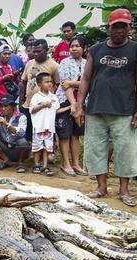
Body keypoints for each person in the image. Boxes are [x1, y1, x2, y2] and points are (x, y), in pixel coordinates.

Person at [74, 8, 137, 207]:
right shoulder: (97, 50)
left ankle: (124, 190)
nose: (119, 31)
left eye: (124, 27)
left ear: (130, 28)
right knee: (96, 148)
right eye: (116, 27)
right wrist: (79, 106)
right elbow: (86, 78)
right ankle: (101, 187)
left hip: (124, 109)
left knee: (125, 150)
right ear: (109, 28)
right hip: (96, 108)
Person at [55, 36, 88, 176]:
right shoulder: (64, 62)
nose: (74, 48)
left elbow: (90, 83)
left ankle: (76, 163)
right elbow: (64, 84)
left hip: (83, 102)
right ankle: (66, 163)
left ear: (84, 48)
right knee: (65, 134)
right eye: (72, 46)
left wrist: (74, 83)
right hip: (65, 101)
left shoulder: (88, 63)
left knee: (76, 134)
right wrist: (73, 105)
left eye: (77, 46)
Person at [20, 39, 60, 142]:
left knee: (44, 131)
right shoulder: (29, 63)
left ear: (46, 50)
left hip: (45, 106)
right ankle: (31, 153)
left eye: (39, 51)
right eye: (34, 51)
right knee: (28, 131)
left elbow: (59, 85)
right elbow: (23, 82)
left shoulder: (54, 66)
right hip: (28, 105)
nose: (36, 54)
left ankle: (48, 153)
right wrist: (21, 101)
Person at [0, 94, 30, 172]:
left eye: (6, 106)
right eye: (1, 106)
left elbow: (21, 133)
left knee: (23, 142)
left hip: (18, 149)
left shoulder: (21, 116)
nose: (3, 108)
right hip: (6, 148)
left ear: (13, 106)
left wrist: (6, 124)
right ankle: (6, 160)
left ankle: (21, 162)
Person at [30, 72, 60, 176]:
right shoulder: (36, 97)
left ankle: (45, 166)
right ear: (39, 84)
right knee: (37, 147)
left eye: (51, 81)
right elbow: (32, 109)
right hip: (39, 126)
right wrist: (43, 105)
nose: (50, 84)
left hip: (49, 128)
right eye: (46, 82)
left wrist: (70, 108)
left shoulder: (54, 97)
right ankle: (36, 164)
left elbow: (56, 110)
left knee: (47, 147)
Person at [0, 44, 20, 115]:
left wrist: (15, 75)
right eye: (5, 54)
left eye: (9, 54)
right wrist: (3, 78)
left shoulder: (10, 67)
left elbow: (15, 83)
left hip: (10, 99)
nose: (7, 56)